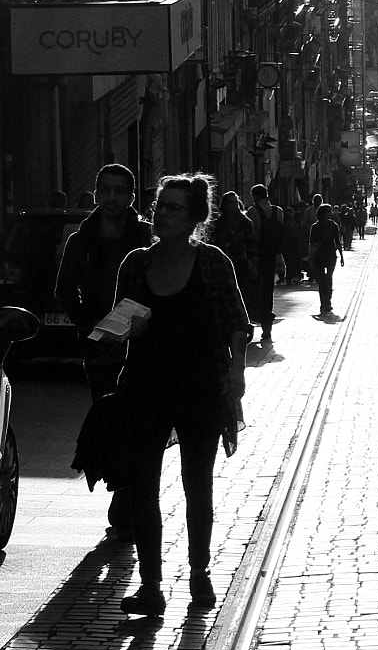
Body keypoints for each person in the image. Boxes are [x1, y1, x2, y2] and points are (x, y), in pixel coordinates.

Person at [111, 173, 251, 617]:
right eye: (159, 205)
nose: (162, 214)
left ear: (194, 216)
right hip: (146, 386)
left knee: (198, 484)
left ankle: (199, 573)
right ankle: (151, 586)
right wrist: (122, 330)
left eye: (173, 207)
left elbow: (236, 322)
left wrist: (236, 372)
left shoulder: (211, 262)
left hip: (201, 388)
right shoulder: (135, 264)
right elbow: (119, 323)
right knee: (142, 487)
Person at [54, 163, 152, 540]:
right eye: (105, 191)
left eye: (119, 191)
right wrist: (87, 325)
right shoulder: (82, 240)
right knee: (109, 418)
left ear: (130, 196)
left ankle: (130, 492)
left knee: (139, 420)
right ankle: (120, 487)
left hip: (141, 347)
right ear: (96, 195)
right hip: (99, 349)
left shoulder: (146, 238)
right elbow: (64, 288)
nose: (111, 199)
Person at [211, 191, 262, 341]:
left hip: (241, 264)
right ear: (224, 205)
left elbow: (252, 245)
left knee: (242, 294)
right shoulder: (218, 224)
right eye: (229, 202)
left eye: (235, 202)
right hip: (223, 264)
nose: (232, 205)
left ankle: (243, 325)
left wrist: (253, 265)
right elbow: (214, 243)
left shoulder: (246, 222)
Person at [246, 184, 283, 340]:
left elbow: (251, 234)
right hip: (272, 255)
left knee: (254, 290)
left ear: (255, 196)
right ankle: (267, 326)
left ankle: (255, 319)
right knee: (268, 291)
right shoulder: (279, 211)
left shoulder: (253, 212)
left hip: (257, 256)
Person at [309, 204, 345, 316]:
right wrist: (310, 258)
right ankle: (325, 302)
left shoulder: (317, 226)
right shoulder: (332, 226)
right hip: (325, 255)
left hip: (326, 256)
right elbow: (312, 244)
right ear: (324, 213)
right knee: (325, 279)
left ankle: (326, 302)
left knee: (326, 279)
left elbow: (337, 242)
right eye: (329, 212)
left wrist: (342, 256)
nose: (331, 214)